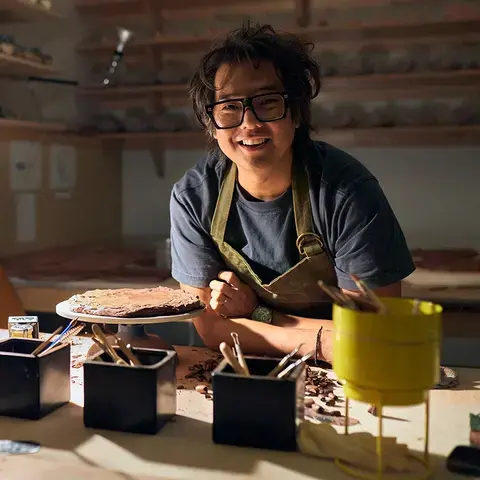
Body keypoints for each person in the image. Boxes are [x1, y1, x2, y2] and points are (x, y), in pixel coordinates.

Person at [169, 24, 415, 363]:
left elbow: (372, 336)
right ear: (210, 122)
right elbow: (212, 330)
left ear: (296, 112)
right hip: (244, 369)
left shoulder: (346, 192)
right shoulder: (194, 197)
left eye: (268, 102)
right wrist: (328, 340)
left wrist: (258, 313)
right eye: (229, 106)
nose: (249, 123)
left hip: (354, 374)